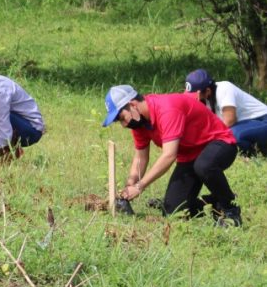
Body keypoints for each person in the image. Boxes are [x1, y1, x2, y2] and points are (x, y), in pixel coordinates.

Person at [102, 84, 242, 226]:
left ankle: (230, 209)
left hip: (220, 144)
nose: (123, 125)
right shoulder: (140, 124)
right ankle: (214, 203)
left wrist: (140, 186)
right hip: (190, 157)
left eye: (121, 118)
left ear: (132, 105)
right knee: (172, 212)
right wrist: (129, 186)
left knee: (204, 165)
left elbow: (169, 155)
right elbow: (140, 157)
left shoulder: (167, 109)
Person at [185, 68, 267, 156]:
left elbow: (230, 121)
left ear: (208, 91)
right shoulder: (205, 98)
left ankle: (255, 155)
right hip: (244, 124)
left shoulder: (224, 89)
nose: (195, 99)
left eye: (196, 95)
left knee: (232, 135)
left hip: (261, 120)